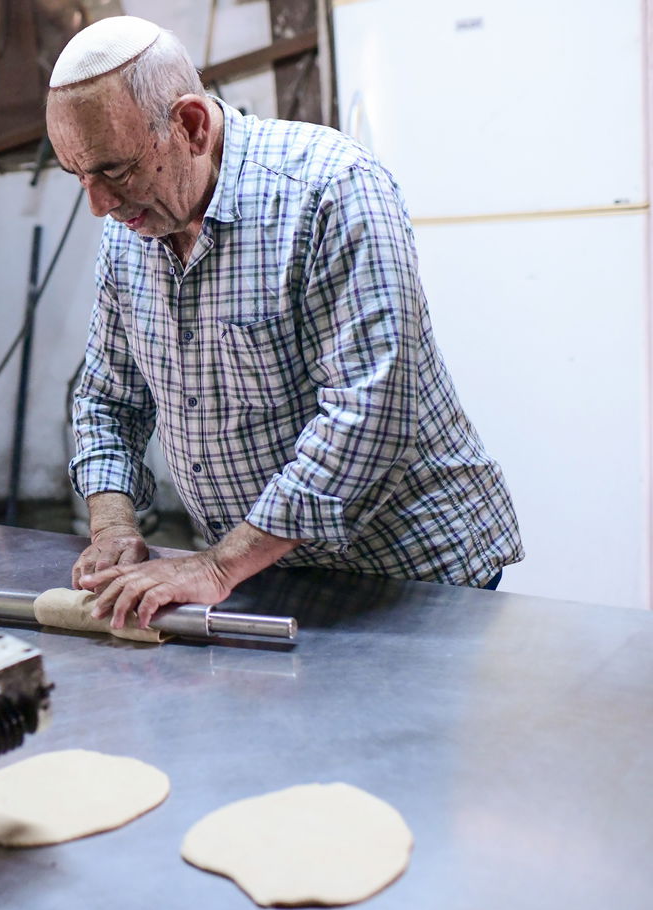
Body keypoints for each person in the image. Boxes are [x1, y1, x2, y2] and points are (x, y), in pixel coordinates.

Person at [48, 17, 523, 630]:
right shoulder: (131, 235)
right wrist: (113, 524)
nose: (99, 205)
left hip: (407, 578)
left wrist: (218, 566)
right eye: (80, 176)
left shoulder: (330, 190)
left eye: (114, 170)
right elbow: (107, 399)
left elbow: (367, 414)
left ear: (190, 125)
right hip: (265, 578)